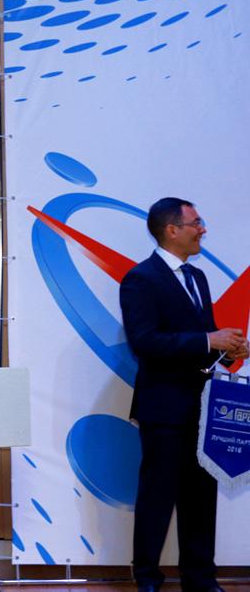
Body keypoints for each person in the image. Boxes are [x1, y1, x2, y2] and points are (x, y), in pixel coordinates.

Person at [120, 197, 248, 592]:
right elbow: (144, 342)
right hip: (163, 407)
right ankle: (147, 578)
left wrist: (229, 350)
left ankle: (200, 577)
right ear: (171, 230)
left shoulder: (198, 278)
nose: (203, 229)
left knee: (201, 496)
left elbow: (202, 340)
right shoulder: (141, 279)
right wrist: (209, 339)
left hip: (203, 406)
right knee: (157, 497)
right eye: (196, 222)